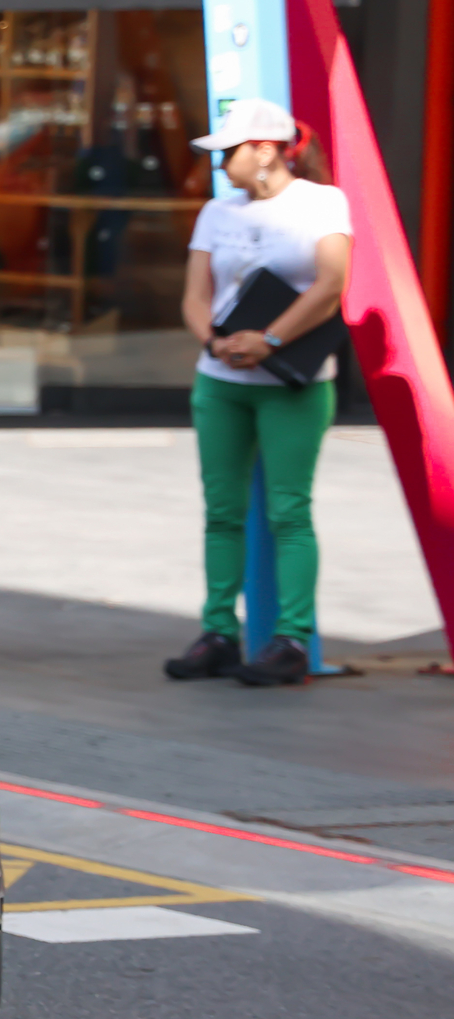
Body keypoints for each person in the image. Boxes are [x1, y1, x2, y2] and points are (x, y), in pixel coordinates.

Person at [163, 98, 351, 688]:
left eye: (229, 152)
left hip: (291, 379)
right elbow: (195, 294)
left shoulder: (323, 202)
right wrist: (215, 342)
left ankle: (292, 638)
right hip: (222, 379)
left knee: (288, 510)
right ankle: (217, 631)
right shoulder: (217, 212)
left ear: (265, 150)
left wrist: (270, 339)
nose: (222, 164)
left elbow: (332, 283)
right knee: (222, 511)